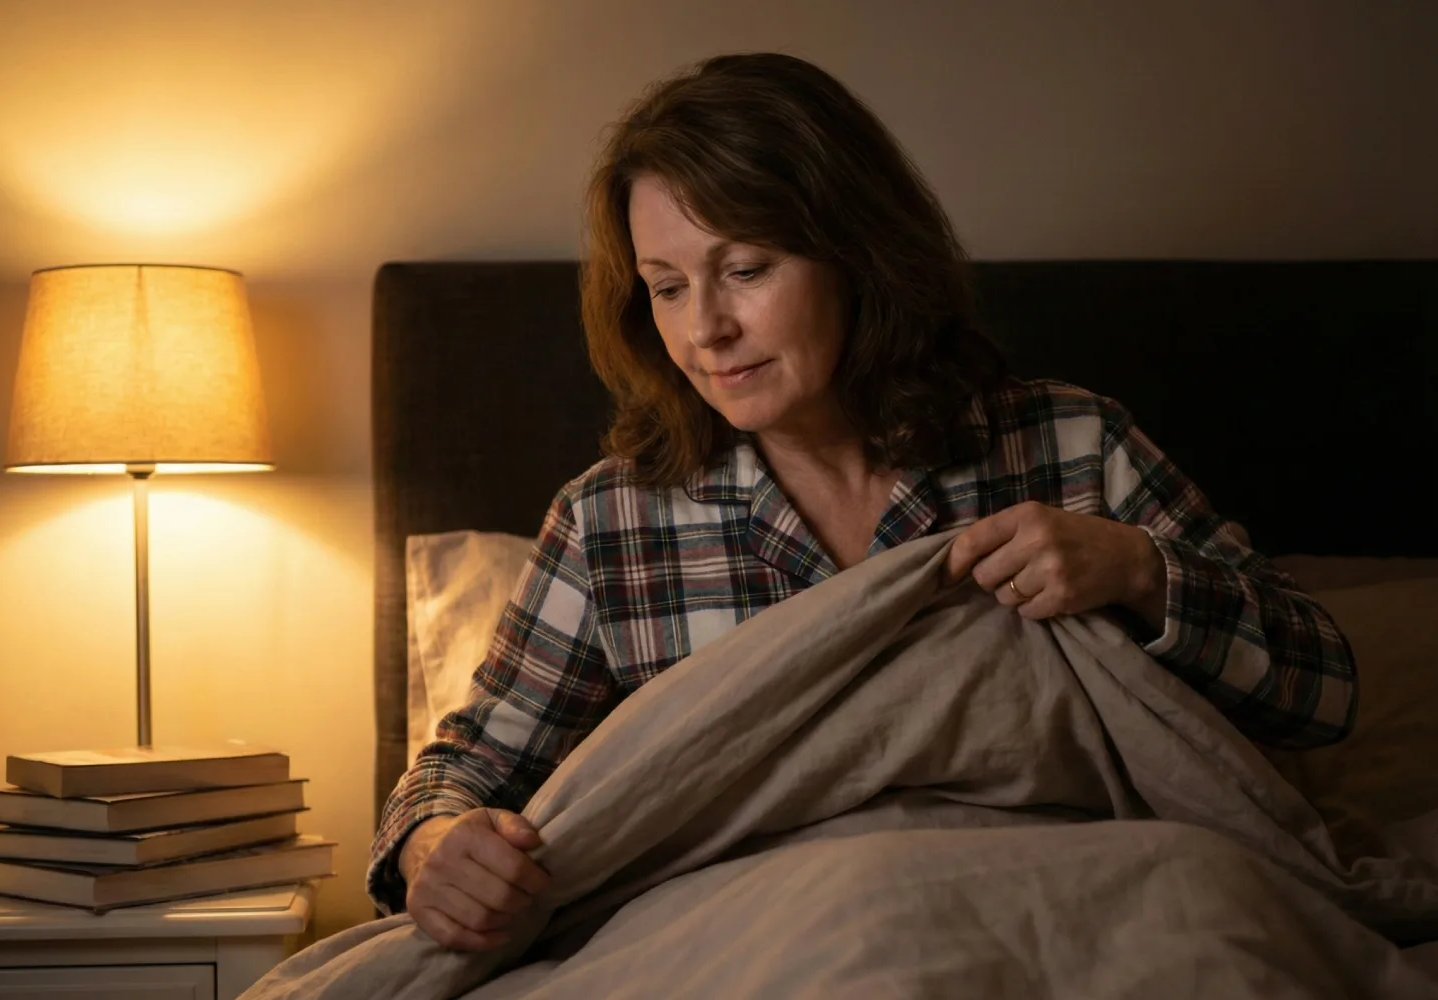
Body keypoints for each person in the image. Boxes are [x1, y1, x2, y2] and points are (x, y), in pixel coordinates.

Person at [367, 52, 1357, 952]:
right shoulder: (618, 523)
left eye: (745, 269)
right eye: (666, 287)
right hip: (774, 943)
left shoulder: (1070, 447)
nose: (706, 329)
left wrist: (1140, 574)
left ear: (857, 254)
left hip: (1074, 920)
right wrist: (437, 845)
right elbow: (464, 771)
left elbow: (1320, 690)